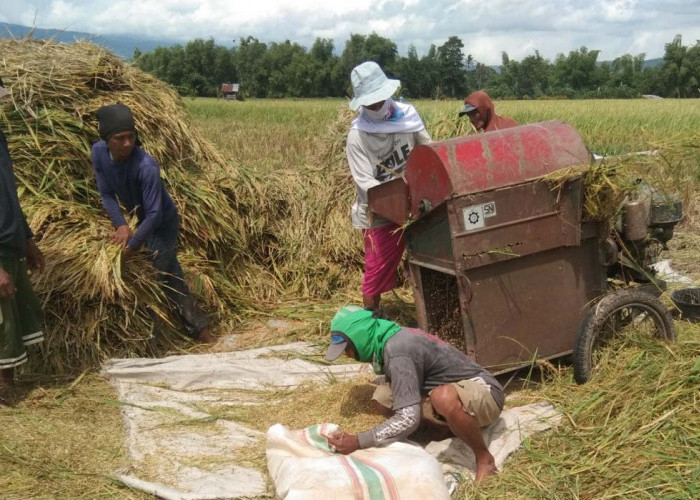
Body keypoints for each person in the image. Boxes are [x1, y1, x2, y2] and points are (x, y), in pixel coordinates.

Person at [325, 306, 505, 483]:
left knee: (442, 398)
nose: (347, 355)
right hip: (452, 390)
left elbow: (408, 418)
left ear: (360, 336)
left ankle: (484, 459)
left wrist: (359, 440)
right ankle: (447, 429)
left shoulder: (398, 351)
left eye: (347, 348)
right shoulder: (390, 337)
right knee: (383, 397)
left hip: (485, 392)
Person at [91, 103, 214, 343]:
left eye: (131, 137)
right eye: (120, 138)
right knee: (171, 274)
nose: (127, 143)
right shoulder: (98, 153)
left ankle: (151, 339)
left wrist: (131, 247)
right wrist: (121, 225)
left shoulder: (146, 166)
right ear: (106, 140)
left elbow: (155, 213)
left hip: (162, 223)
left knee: (150, 278)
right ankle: (201, 330)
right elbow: (106, 194)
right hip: (141, 219)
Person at [346, 61, 431, 311]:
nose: (376, 106)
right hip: (379, 212)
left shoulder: (408, 117)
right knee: (376, 273)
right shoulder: (357, 136)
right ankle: (370, 327)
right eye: (369, 102)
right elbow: (366, 184)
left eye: (379, 99)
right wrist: (397, 202)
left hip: (417, 203)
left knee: (430, 258)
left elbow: (427, 151)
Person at [0, 75, 46, 388]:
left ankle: (7, 384)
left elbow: (9, 195)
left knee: (11, 322)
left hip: (11, 245)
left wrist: (27, 240)